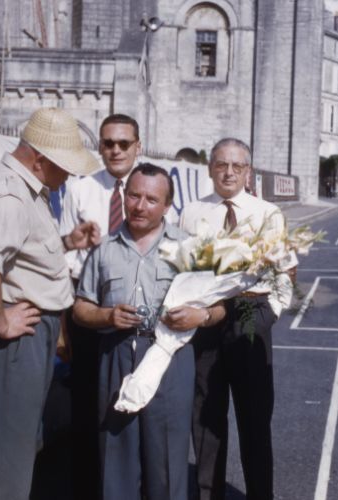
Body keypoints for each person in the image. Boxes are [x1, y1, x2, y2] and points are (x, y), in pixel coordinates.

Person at [0, 107, 100, 500]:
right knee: (2, 460)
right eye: (65, 166)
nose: (69, 175)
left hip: (22, 338)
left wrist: (68, 242)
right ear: (39, 159)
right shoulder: (9, 195)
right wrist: (1, 322)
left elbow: (20, 253)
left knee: (14, 449)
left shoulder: (22, 187)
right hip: (12, 342)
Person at [73, 163, 226, 500]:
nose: (140, 206)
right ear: (124, 197)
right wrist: (106, 315)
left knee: (166, 462)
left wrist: (200, 315)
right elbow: (81, 308)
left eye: (151, 200)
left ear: (167, 206)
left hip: (169, 357)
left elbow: (219, 308)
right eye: (134, 196)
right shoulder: (104, 250)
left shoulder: (190, 248)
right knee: (116, 458)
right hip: (117, 356)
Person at [179, 138, 290, 500]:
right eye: (221, 165)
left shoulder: (268, 213)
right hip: (205, 320)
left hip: (249, 316)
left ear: (247, 172)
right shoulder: (192, 212)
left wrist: (271, 312)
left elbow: (285, 271)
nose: (228, 173)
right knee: (206, 423)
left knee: (255, 423)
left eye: (237, 166)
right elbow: (182, 267)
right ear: (210, 168)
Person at [59, 113, 141, 499]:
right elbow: (65, 261)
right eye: (108, 143)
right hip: (88, 307)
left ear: (138, 147)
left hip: (136, 308)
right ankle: (88, 489)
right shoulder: (80, 190)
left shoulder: (151, 187)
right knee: (87, 404)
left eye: (124, 143)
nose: (116, 150)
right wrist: (63, 328)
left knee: (135, 402)